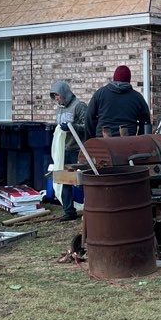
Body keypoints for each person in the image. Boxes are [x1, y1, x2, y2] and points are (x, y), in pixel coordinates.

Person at [49, 80, 89, 221]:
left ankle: (88, 208)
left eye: (58, 95)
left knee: (81, 180)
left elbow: (87, 126)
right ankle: (68, 211)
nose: (57, 99)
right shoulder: (60, 108)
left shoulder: (79, 106)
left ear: (65, 93)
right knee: (64, 179)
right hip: (63, 150)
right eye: (54, 96)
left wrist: (73, 127)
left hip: (77, 149)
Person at [83, 65, 151, 140]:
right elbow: (146, 122)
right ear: (129, 80)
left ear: (114, 78)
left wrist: (90, 139)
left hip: (103, 141)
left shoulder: (100, 94)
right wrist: (139, 139)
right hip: (128, 142)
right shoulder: (137, 97)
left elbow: (88, 118)